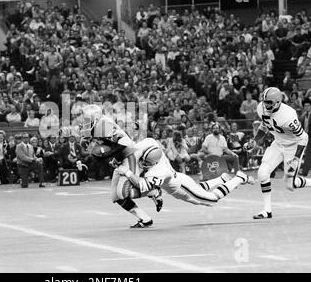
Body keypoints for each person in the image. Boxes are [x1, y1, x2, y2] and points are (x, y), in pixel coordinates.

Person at [117, 138, 255, 222]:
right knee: (199, 189)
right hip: (180, 180)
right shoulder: (152, 147)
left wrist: (127, 171)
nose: (142, 164)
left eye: (145, 163)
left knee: (211, 200)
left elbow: (142, 185)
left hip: (181, 188)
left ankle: (238, 178)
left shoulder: (158, 171)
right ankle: (221, 179)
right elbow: (146, 142)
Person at [244, 87, 309, 219]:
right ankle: (267, 210)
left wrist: (296, 159)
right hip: (278, 143)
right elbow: (265, 126)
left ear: (278, 102)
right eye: (264, 101)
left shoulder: (288, 116)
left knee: (291, 184)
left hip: (292, 146)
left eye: (269, 102)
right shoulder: (261, 107)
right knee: (262, 173)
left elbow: (304, 137)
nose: (265, 105)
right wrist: (254, 142)